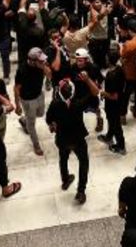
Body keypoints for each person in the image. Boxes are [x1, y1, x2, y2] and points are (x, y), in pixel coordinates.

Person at [46, 76, 99, 204]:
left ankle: (65, 180)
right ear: (73, 92)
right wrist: (87, 80)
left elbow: (48, 119)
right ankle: (81, 191)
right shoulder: (78, 103)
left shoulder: (54, 104)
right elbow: (95, 92)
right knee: (84, 162)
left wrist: (53, 125)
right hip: (77, 139)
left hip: (62, 139)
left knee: (63, 158)